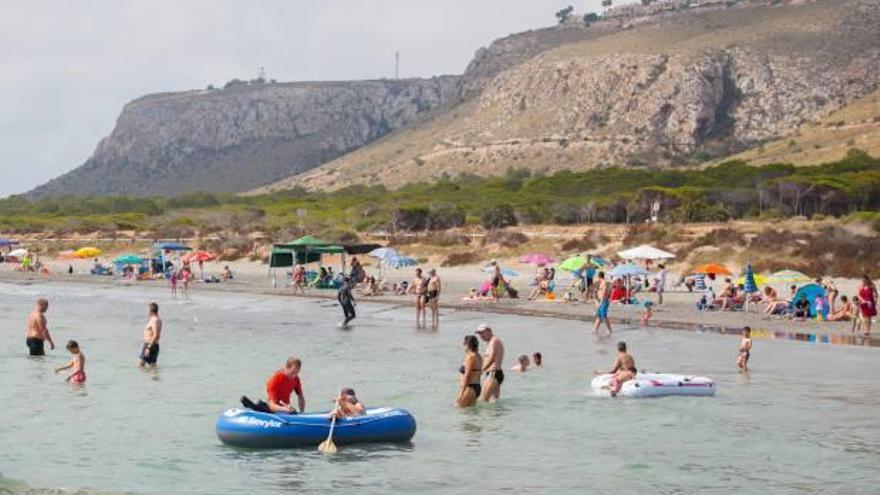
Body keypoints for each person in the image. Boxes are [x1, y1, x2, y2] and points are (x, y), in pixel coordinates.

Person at [476, 324, 505, 402]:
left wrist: (482, 370)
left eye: (482, 333)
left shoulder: (494, 341)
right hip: (495, 373)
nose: (481, 336)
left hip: (493, 373)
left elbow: (492, 357)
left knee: (483, 400)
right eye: (479, 334)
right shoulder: (491, 342)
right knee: (493, 401)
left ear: (489, 331)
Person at [456, 335, 483, 408]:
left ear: (467, 345)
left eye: (464, 344)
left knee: (459, 409)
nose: (463, 346)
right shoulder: (479, 356)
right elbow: (479, 373)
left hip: (469, 388)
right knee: (471, 416)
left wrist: (461, 393)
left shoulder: (470, 356)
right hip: (476, 387)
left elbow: (468, 375)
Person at [139, 302, 162, 368]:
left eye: (148, 310)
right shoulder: (158, 319)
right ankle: (155, 378)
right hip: (154, 345)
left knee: (141, 366)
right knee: (153, 367)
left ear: (150, 311)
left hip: (149, 345)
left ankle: (141, 378)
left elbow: (156, 334)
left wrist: (148, 348)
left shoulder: (154, 320)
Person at [593, 271, 612, 336]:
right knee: (599, 317)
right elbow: (596, 293)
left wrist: (599, 304)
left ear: (599, 276)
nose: (595, 278)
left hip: (603, 302)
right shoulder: (600, 283)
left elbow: (604, 294)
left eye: (596, 277)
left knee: (604, 317)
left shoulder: (605, 283)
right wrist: (596, 301)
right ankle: (595, 329)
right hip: (600, 301)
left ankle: (609, 330)